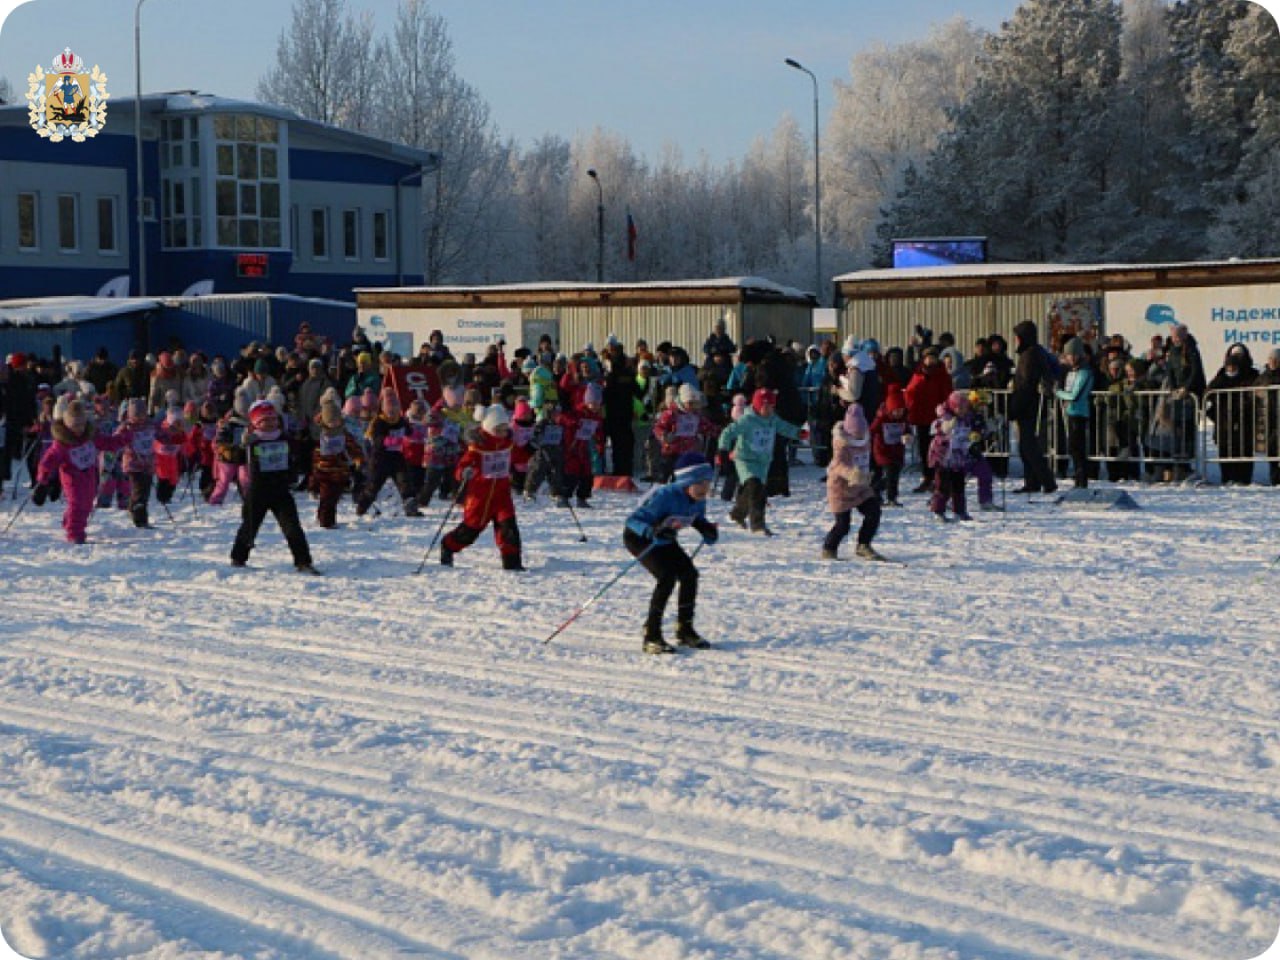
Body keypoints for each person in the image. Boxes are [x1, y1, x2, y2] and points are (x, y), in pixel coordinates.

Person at [623, 451, 719, 654]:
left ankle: (685, 629)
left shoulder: (698, 498)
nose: (705, 488)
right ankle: (651, 634)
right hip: (639, 538)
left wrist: (706, 529)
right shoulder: (664, 496)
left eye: (708, 483)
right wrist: (652, 531)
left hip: (665, 538)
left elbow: (696, 518)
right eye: (700, 483)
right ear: (686, 482)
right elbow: (632, 521)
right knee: (667, 577)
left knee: (689, 574)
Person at [230, 400, 317, 573]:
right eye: (265, 421)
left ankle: (303, 561)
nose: (270, 424)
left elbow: (298, 453)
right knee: (249, 525)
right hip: (258, 490)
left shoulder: (285, 438)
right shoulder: (252, 441)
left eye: (273, 420)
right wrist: (240, 446)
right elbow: (235, 457)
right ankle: (238, 558)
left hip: (280, 490)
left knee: (292, 526)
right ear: (256, 423)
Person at [439, 404, 524, 571]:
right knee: (470, 532)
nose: (503, 433)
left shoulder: (508, 443)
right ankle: (448, 545)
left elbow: (520, 455)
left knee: (509, 529)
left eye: (505, 429)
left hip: (501, 496)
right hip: (480, 497)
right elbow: (461, 467)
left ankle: (512, 563)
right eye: (499, 429)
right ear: (489, 428)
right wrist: (465, 472)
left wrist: (531, 448)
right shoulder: (478, 447)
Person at [33, 398, 130, 544]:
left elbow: (108, 443)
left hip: (89, 476)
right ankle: (74, 532)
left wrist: (124, 437)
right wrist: (43, 480)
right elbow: (47, 461)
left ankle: (69, 521)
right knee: (77, 503)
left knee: (87, 504)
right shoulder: (62, 444)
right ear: (67, 425)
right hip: (72, 478)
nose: (79, 429)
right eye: (74, 425)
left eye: (81, 425)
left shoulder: (90, 437)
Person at [717, 387, 801, 536]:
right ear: (756, 405)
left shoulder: (773, 419)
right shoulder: (747, 420)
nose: (768, 410)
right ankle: (758, 525)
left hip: (763, 462)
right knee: (755, 487)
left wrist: (798, 432)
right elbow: (728, 432)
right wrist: (723, 449)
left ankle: (737, 514)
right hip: (745, 459)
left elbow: (785, 428)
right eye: (765, 406)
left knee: (754, 490)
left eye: (771, 406)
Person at [822, 403, 885, 561]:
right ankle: (829, 548)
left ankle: (863, 544)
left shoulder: (866, 440)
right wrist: (852, 474)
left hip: (861, 486)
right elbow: (838, 465)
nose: (858, 437)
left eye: (860, 434)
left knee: (874, 511)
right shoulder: (841, 445)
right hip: (840, 489)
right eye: (855, 435)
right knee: (843, 525)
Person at [1009, 319, 1057, 495]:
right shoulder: (1032, 353)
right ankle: (1033, 481)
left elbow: (1026, 385)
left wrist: (1015, 407)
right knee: (1026, 447)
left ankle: (1046, 481)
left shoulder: (1030, 355)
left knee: (1030, 447)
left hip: (1029, 407)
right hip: (1030, 406)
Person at [1205, 343, 1258, 486]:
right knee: (1225, 449)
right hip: (1224, 419)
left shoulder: (1252, 374)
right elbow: (1210, 392)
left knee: (1244, 449)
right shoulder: (1222, 374)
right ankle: (1227, 477)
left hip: (1244, 419)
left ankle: (1244, 478)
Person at [310, 389, 364, 528]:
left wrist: (358, 457)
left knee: (333, 497)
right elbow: (316, 454)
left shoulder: (343, 433)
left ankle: (325, 517)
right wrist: (315, 472)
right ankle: (326, 521)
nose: (334, 423)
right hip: (324, 471)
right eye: (330, 421)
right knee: (327, 497)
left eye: (336, 420)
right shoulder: (321, 435)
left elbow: (352, 446)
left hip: (340, 471)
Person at [904, 347, 953, 492]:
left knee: (939, 450)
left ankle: (939, 480)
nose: (930, 360)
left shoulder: (942, 375)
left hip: (938, 419)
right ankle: (927, 478)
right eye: (928, 357)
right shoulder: (918, 374)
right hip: (921, 417)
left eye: (933, 357)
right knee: (924, 450)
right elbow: (910, 393)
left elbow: (947, 394)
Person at [928, 391, 980, 522]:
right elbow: (935, 429)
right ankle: (938, 511)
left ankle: (960, 511)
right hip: (943, 458)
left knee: (959, 486)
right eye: (959, 408)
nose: (962, 411)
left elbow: (969, 434)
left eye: (965, 408)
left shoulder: (967, 420)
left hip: (958, 459)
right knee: (943, 487)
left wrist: (973, 438)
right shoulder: (944, 418)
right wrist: (944, 428)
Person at [1055, 337, 1095, 489]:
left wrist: (1058, 393)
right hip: (1071, 412)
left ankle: (1082, 479)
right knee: (1073, 448)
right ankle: (1079, 479)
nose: (1068, 358)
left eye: (1070, 355)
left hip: (1080, 413)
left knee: (1077, 448)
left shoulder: (1084, 372)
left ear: (1077, 355)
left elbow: (1075, 395)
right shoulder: (1072, 372)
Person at [870, 383, 909, 506]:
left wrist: (908, 435)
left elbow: (908, 430)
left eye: (900, 411)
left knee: (894, 474)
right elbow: (871, 431)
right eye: (895, 411)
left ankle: (876, 490)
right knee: (891, 473)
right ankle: (890, 497)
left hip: (897, 449)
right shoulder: (881, 418)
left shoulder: (904, 419)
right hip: (882, 450)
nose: (898, 414)